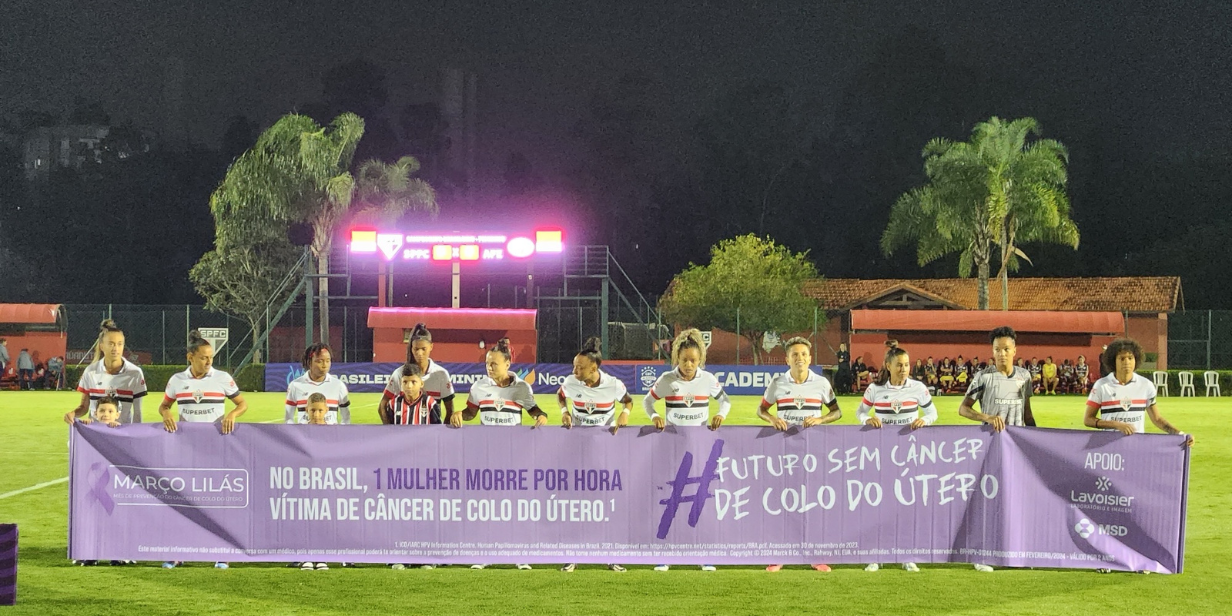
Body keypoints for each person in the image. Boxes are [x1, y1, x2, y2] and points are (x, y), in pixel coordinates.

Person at [158, 330, 248, 570]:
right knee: (184, 500)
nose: (209, 362)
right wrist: (166, 413)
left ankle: (221, 553)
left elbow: (242, 403)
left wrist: (231, 414)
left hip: (216, 449)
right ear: (191, 357)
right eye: (204, 358)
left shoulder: (222, 378)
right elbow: (164, 405)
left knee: (217, 501)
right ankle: (178, 551)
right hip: (186, 450)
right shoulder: (177, 380)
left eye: (211, 358)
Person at [643, 328, 731, 572]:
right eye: (684, 360)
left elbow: (725, 400)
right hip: (672, 449)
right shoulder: (667, 380)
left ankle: (704, 555)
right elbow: (648, 401)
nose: (689, 365)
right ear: (677, 359)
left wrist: (720, 414)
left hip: (700, 448)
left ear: (700, 359)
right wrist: (655, 416)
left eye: (693, 360)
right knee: (672, 500)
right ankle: (665, 554)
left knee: (699, 499)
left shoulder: (708, 380)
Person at [458, 338, 545, 571]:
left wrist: (541, 415)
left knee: (516, 507)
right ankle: (485, 554)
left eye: (494, 363)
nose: (489, 367)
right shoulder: (479, 387)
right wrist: (459, 414)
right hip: (486, 457)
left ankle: (520, 555)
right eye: (487, 363)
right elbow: (470, 413)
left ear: (508, 363)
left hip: (514, 458)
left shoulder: (521, 388)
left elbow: (533, 409)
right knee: (487, 508)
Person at [757, 337, 840, 573]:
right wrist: (773, 418)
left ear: (810, 358)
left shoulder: (821, 383)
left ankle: (816, 556)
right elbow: (761, 409)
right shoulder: (778, 383)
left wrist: (820, 419)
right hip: (784, 452)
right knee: (782, 502)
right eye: (795, 354)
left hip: (813, 453)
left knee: (813, 503)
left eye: (803, 354)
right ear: (787, 359)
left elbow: (837, 411)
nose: (799, 358)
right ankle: (778, 555)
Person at [957, 326, 1035, 573]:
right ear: (992, 352)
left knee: (1019, 501)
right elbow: (963, 409)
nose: (1002, 354)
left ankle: (1020, 553)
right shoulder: (983, 377)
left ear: (1015, 350)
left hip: (1019, 450)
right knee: (989, 501)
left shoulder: (1025, 376)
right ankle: (982, 554)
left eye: (1006, 349)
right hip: (990, 449)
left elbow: (1027, 412)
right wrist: (987, 417)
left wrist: (1036, 440)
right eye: (997, 350)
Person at [857, 344, 937, 573]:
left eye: (906, 365)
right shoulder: (874, 389)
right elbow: (860, 412)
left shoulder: (918, 388)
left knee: (906, 504)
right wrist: (867, 420)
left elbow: (932, 412)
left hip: (908, 455)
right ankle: (876, 554)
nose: (904, 369)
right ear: (888, 366)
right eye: (899, 365)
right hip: (881, 454)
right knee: (878, 503)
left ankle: (906, 554)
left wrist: (925, 421)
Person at [557, 337, 633, 573]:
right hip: (578, 450)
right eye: (574, 366)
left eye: (580, 367)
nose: (574, 370)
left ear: (594, 368)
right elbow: (561, 395)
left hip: (605, 451)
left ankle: (611, 556)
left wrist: (625, 414)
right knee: (576, 503)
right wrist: (565, 412)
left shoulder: (613, 384)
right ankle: (572, 555)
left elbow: (628, 401)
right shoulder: (571, 382)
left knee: (607, 502)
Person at [1085, 338, 1193, 445]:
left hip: (1136, 447)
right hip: (1110, 447)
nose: (1126, 362)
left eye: (1130, 358)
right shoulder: (1102, 386)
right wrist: (1116, 425)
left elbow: (1157, 419)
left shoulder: (1146, 385)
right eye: (1122, 359)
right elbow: (1088, 420)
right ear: (1113, 361)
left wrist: (1180, 434)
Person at [64, 320, 147, 426]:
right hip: (96, 434)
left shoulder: (135, 373)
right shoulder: (90, 371)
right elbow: (84, 408)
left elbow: (137, 413)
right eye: (111, 344)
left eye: (119, 344)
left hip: (121, 434)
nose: (116, 348)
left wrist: (135, 436)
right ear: (102, 346)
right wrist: (72, 414)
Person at [381, 323, 455, 425]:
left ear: (431, 347)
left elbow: (450, 411)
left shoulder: (441, 374)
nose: (420, 353)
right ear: (411, 348)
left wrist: (440, 433)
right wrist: (389, 429)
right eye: (416, 349)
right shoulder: (400, 374)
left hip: (429, 437)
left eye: (423, 349)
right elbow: (382, 406)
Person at [285, 343, 351, 425]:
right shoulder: (295, 385)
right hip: (304, 437)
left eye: (328, 361)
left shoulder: (338, 385)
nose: (325, 365)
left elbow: (346, 418)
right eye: (320, 361)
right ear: (309, 362)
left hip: (330, 436)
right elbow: (288, 419)